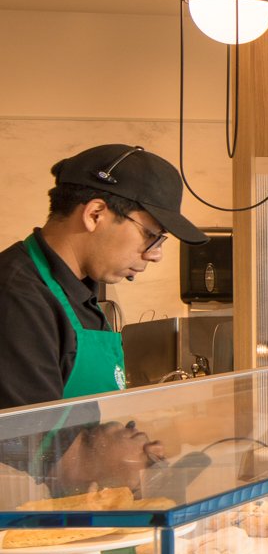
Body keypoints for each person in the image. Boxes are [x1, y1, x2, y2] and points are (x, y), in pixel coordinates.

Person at [0, 144, 207, 411]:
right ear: (95, 214)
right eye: (150, 236)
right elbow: (26, 445)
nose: (156, 255)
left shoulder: (79, 292)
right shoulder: (16, 298)